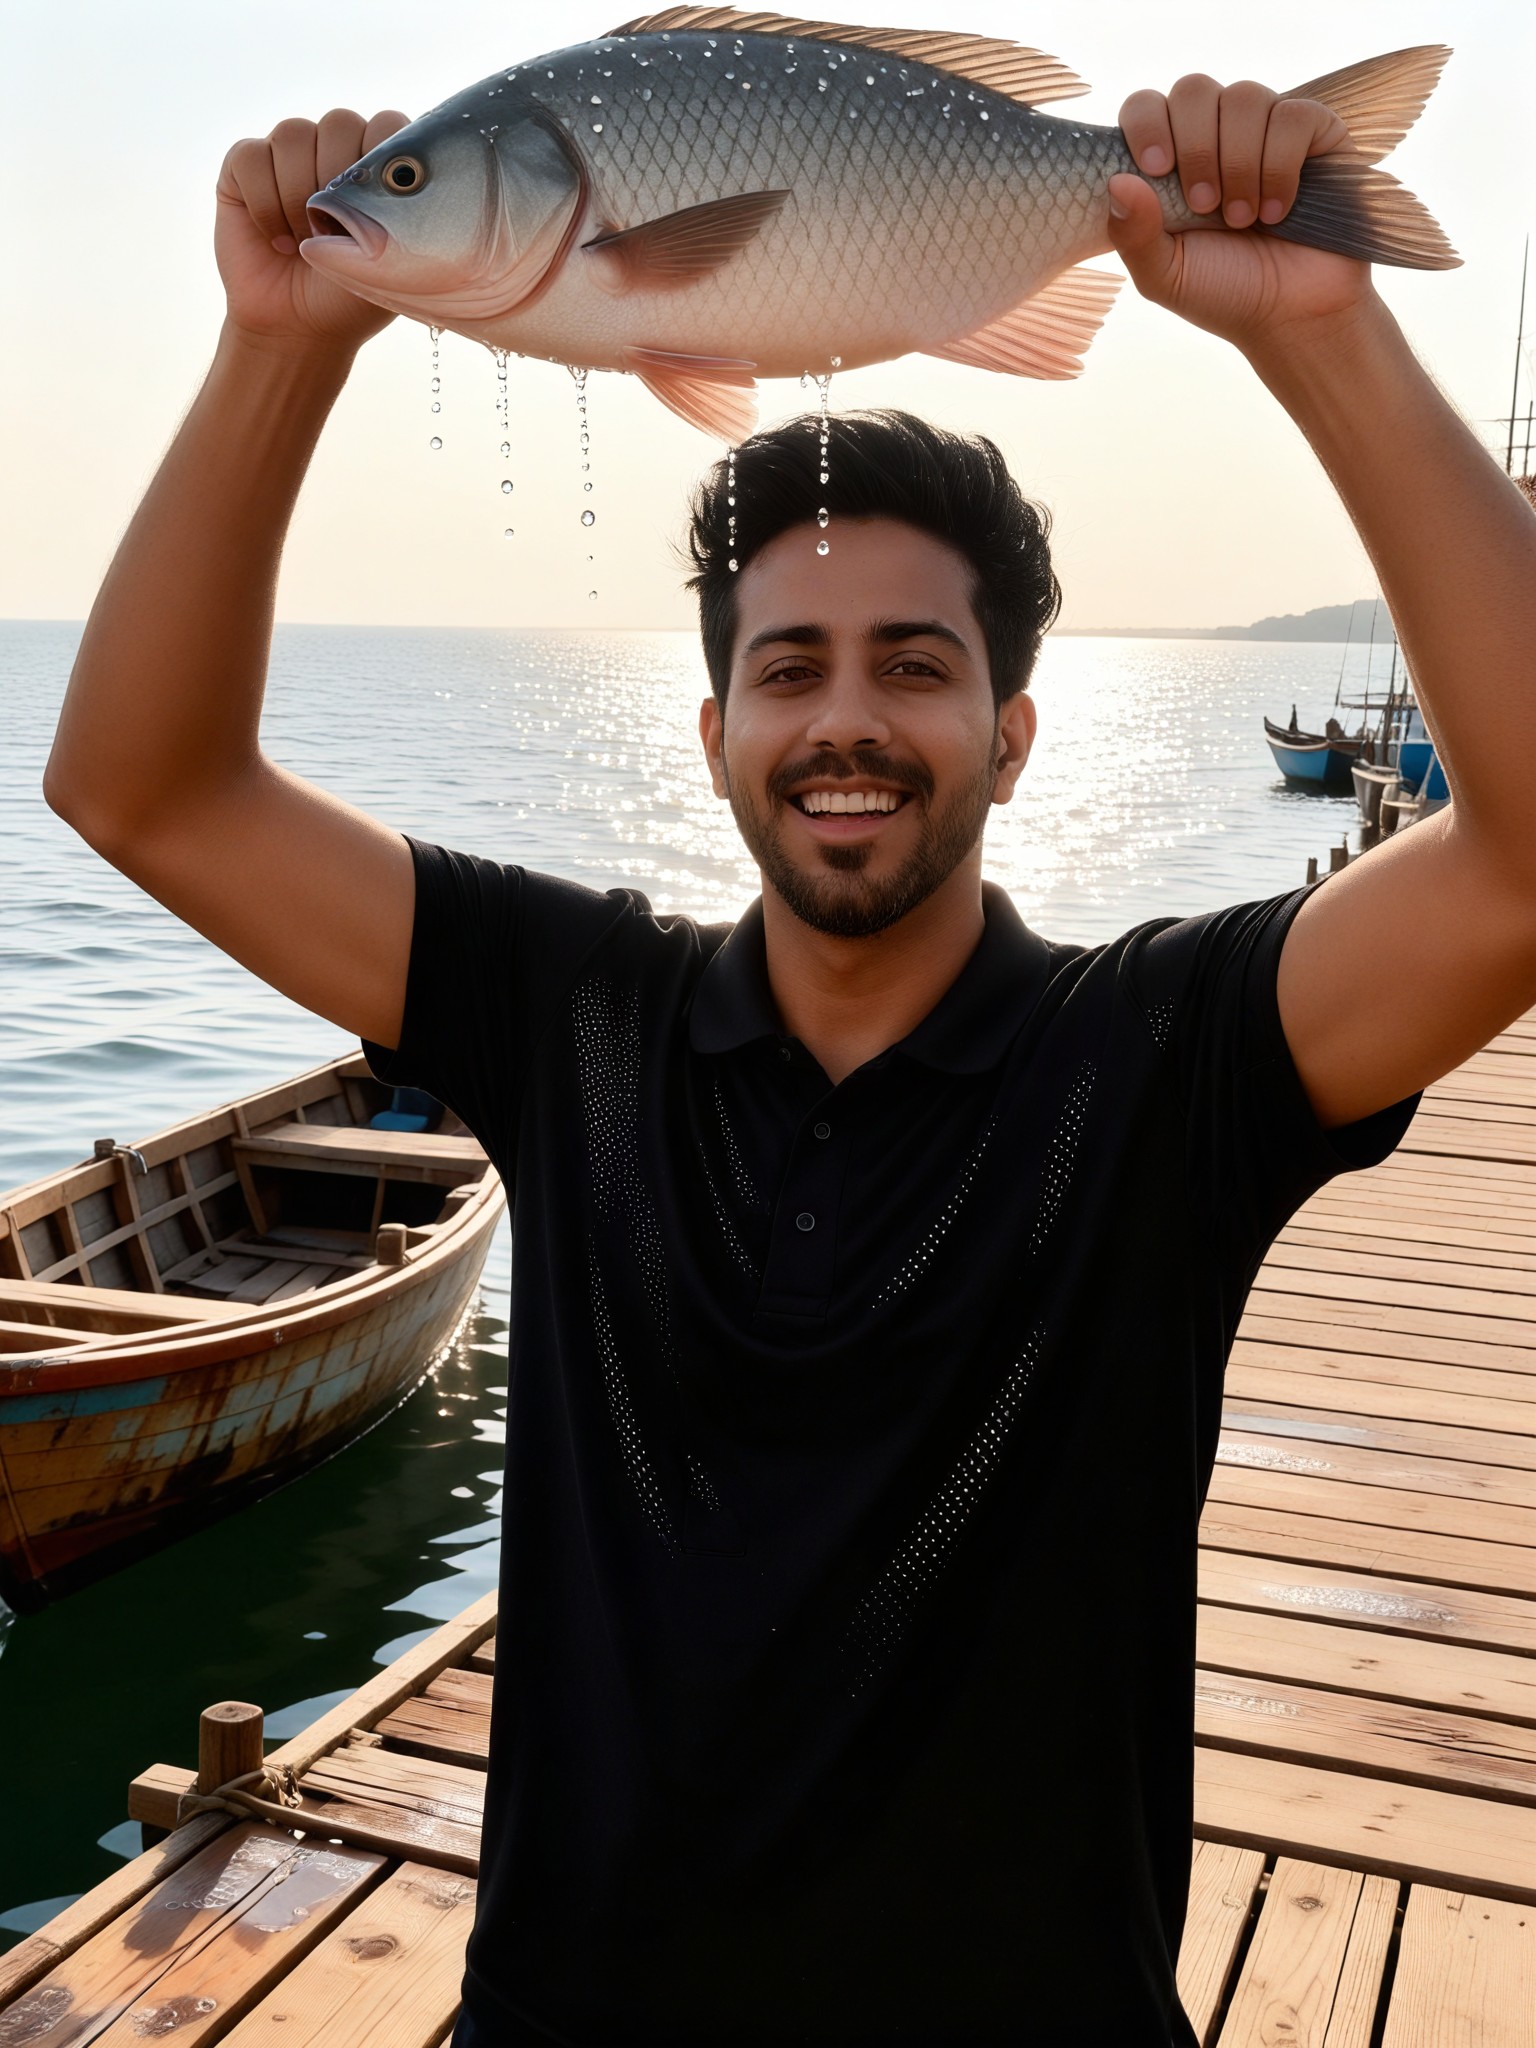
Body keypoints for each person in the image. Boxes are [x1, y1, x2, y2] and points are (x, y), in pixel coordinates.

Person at [44, 67, 1536, 2048]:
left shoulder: (1158, 1056)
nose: (850, 720)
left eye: (917, 664)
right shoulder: (573, 1009)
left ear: (1015, 735)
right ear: (714, 736)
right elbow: (141, 786)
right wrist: (282, 341)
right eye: (790, 667)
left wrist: (1321, 329)